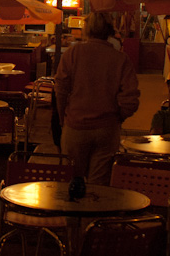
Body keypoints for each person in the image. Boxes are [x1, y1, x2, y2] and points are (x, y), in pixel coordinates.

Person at [55, 12, 140, 185]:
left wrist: (62, 116)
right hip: (107, 129)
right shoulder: (120, 59)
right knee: (99, 185)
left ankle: (73, 210)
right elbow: (130, 98)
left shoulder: (73, 53)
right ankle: (93, 211)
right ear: (109, 31)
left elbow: (61, 89)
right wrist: (118, 116)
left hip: (75, 126)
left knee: (72, 180)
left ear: (87, 29)